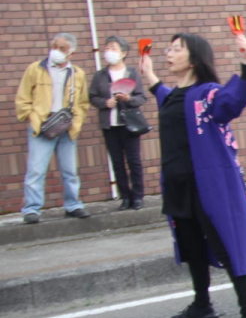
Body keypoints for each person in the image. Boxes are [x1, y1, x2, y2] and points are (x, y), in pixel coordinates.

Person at [142, 32, 246, 318]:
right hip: (178, 184)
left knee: (227, 244)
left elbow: (234, 101)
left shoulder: (208, 93)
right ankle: (202, 305)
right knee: (191, 245)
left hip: (208, 185)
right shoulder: (174, 96)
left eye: (176, 49)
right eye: (168, 48)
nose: (169, 53)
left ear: (194, 58)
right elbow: (165, 96)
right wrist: (151, 77)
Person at [16, 33, 91, 223]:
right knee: (36, 169)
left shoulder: (77, 74)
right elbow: (23, 98)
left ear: (71, 53)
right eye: (54, 46)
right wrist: (33, 118)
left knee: (70, 170)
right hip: (42, 126)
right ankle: (31, 208)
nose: (56, 51)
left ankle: (73, 205)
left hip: (66, 127)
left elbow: (83, 103)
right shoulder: (35, 69)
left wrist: (77, 122)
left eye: (62, 48)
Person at [89, 36, 149, 210]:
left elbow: (141, 97)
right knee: (117, 161)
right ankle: (125, 197)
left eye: (114, 48)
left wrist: (128, 98)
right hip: (110, 124)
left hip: (129, 124)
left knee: (134, 160)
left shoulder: (131, 73)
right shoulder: (100, 75)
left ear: (123, 53)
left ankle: (138, 196)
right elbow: (92, 97)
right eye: (107, 48)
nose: (109, 51)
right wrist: (104, 103)